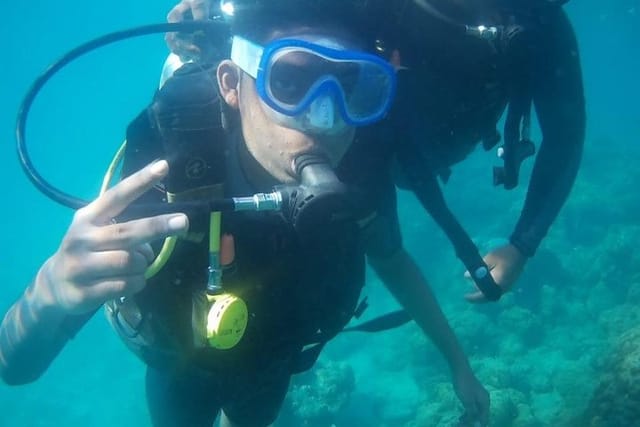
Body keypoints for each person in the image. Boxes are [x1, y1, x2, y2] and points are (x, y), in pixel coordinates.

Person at [0, 1, 489, 426]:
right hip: (183, 364)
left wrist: (459, 364)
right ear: (232, 83)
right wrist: (51, 293)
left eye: (351, 85)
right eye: (291, 81)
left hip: (272, 364)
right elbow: (14, 367)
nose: (325, 118)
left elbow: (393, 261)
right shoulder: (168, 181)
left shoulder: (358, 172)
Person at [168, 0, 586, 303]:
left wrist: (522, 245)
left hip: (428, 153)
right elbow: (294, 26)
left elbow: (566, 134)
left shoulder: (540, 25)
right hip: (362, 143)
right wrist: (219, 13)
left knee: (374, 250)